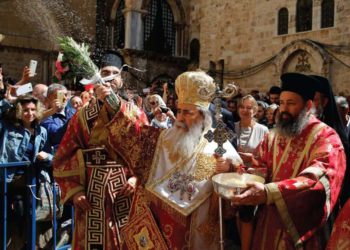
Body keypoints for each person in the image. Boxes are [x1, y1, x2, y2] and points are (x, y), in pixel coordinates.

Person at [106, 71, 242, 249]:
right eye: (179, 111)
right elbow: (134, 135)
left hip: (197, 225)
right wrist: (112, 103)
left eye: (188, 113)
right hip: (158, 223)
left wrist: (227, 169)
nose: (180, 118)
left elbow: (237, 188)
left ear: (203, 115)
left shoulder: (218, 141)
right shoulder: (164, 136)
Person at [230, 72, 346, 249]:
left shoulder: (326, 138)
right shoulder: (273, 136)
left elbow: (320, 181)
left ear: (308, 106)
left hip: (302, 232)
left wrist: (269, 192)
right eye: (282, 103)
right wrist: (243, 177)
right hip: (267, 224)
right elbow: (260, 166)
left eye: (291, 103)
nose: (283, 109)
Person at [53, 52, 147, 249]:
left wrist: (136, 178)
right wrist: (75, 190)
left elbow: (147, 151)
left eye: (115, 73)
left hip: (125, 190)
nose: (110, 78)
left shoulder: (136, 113)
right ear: (96, 77)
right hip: (91, 191)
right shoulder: (81, 116)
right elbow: (64, 155)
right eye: (105, 72)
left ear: (121, 80)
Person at [0, 91, 53, 249]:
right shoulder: (7, 127)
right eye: (25, 110)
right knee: (10, 219)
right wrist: (8, 99)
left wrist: (47, 157)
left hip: (33, 183)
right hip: (10, 181)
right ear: (18, 111)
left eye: (32, 109)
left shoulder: (41, 131)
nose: (29, 113)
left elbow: (51, 155)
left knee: (30, 218)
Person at [40, 84, 75, 151]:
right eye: (60, 95)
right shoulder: (45, 116)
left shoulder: (73, 112)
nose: (64, 98)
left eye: (66, 95)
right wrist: (73, 120)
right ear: (49, 98)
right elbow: (56, 136)